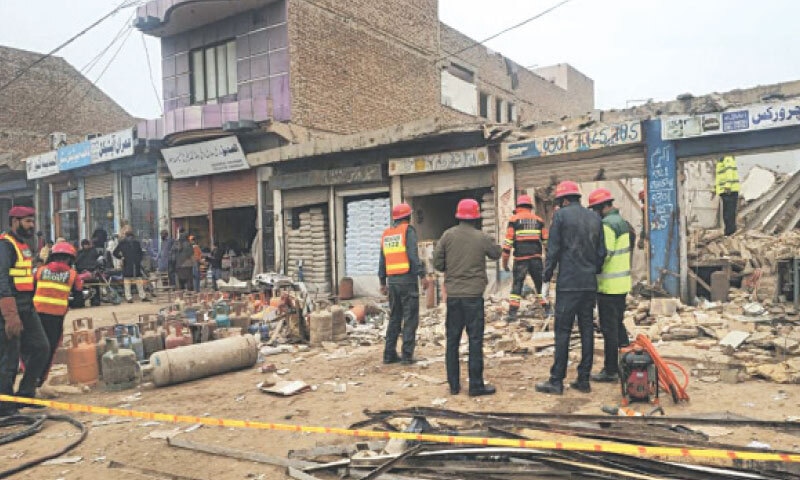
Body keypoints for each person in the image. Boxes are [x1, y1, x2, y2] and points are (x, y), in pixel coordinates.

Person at [535, 181, 605, 395]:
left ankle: (556, 381)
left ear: (564, 200)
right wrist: (593, 270)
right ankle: (583, 379)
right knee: (586, 330)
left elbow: (553, 250)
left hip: (568, 284)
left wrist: (546, 277)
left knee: (563, 331)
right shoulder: (595, 217)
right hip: (588, 284)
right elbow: (601, 252)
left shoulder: (561, 217)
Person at [434, 199, 502, 397]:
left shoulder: (447, 236)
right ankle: (476, 386)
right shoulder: (481, 237)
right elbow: (496, 254)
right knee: (475, 340)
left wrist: (452, 266)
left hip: (454, 297)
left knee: (452, 341)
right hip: (473, 297)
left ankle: (454, 386)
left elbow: (438, 264)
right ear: (477, 217)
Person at [0, 206, 50, 416]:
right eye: (27, 221)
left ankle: (26, 393)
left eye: (32, 221)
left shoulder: (24, 245)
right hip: (10, 308)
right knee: (9, 359)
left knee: (41, 347)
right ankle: (5, 405)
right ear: (14, 221)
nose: (32, 225)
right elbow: (2, 278)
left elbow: (24, 273)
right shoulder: (5, 245)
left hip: (27, 307)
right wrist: (10, 314)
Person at [587, 188, 632, 383]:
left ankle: (611, 369)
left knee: (609, 329)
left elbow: (605, 253)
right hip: (621, 284)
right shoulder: (621, 222)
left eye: (595, 209)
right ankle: (628, 359)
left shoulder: (607, 225)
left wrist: (592, 270)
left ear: (601, 207)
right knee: (618, 325)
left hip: (608, 286)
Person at [378, 203, 428, 365]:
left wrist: (382, 282)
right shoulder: (408, 231)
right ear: (408, 216)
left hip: (392, 282)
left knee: (395, 318)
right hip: (407, 281)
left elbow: (382, 260)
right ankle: (407, 356)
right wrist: (422, 275)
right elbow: (413, 255)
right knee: (410, 318)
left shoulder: (387, 234)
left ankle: (389, 354)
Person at [33, 242, 81, 386]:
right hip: (56, 317)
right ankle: (39, 381)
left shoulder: (40, 271)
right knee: (50, 348)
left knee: (34, 346)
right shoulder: (73, 275)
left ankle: (29, 377)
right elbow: (79, 301)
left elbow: (30, 290)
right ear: (70, 259)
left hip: (36, 315)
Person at [502, 194, 548, 321]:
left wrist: (504, 263)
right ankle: (547, 310)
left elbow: (507, 244)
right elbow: (546, 241)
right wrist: (549, 259)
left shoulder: (514, 220)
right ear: (530, 207)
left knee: (517, 285)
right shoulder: (539, 220)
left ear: (518, 207)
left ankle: (512, 314)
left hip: (520, 260)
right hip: (536, 259)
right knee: (540, 284)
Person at [113, 227, 148, 303]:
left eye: (131, 237)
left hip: (136, 265)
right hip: (127, 264)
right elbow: (115, 252)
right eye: (129, 237)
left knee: (138, 281)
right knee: (127, 282)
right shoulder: (122, 243)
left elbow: (140, 253)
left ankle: (142, 296)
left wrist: (139, 260)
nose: (130, 238)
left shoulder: (136, 243)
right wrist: (121, 257)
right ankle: (129, 298)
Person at [715, 155, 740, 236]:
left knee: (729, 213)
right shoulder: (720, 162)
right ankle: (728, 231)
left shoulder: (727, 159)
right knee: (726, 213)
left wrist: (728, 186)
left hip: (730, 191)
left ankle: (730, 232)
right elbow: (719, 178)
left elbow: (729, 173)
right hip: (725, 191)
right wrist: (715, 189)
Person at [75, 239, 101, 306]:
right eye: (85, 244)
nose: (86, 246)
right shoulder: (84, 252)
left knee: (94, 285)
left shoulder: (90, 252)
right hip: (87, 274)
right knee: (94, 285)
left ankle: (94, 301)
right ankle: (93, 300)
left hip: (86, 274)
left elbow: (76, 263)